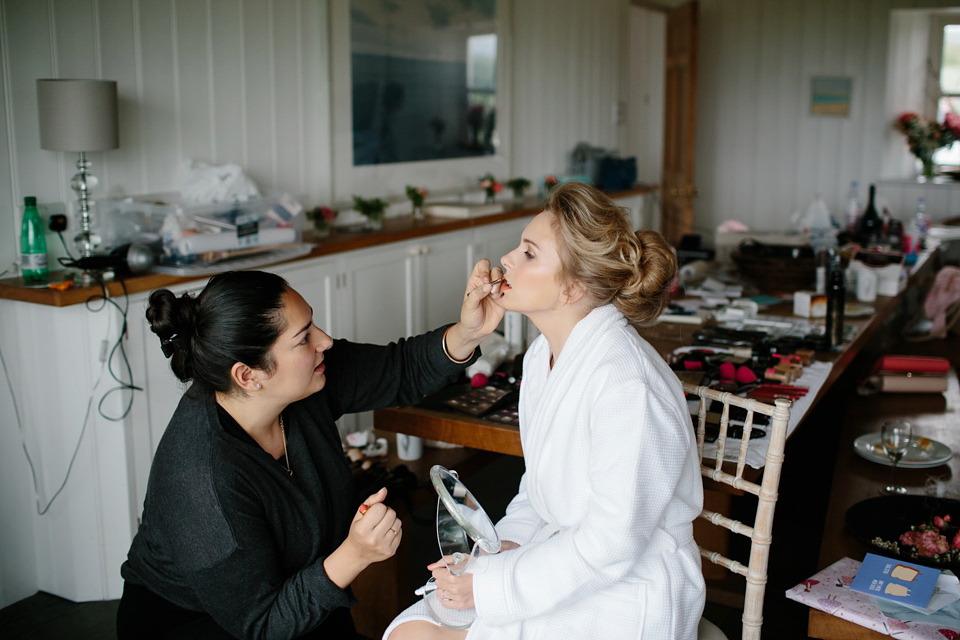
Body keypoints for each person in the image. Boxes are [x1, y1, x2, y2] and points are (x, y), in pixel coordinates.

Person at [116, 262, 506, 640]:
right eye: (303, 338)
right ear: (248, 376)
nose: (325, 341)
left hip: (302, 597)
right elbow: (263, 622)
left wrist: (468, 332)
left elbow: (398, 368)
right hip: (204, 624)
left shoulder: (304, 380)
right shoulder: (202, 478)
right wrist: (354, 553)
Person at [385, 182, 705, 639]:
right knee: (411, 629)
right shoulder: (542, 356)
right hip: (563, 559)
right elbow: (540, 487)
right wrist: (500, 550)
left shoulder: (628, 386)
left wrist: (492, 587)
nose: (508, 260)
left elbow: (612, 545)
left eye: (529, 254)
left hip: (631, 589)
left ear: (573, 287)